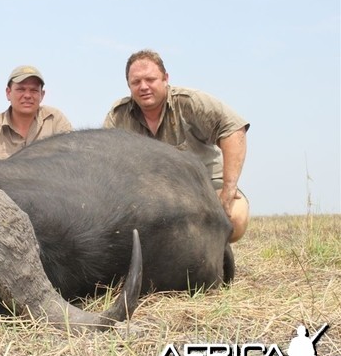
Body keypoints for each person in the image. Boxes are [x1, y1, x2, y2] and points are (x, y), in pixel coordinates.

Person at [103, 49, 249, 242]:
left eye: (150, 79)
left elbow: (233, 129)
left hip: (204, 187)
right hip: (148, 196)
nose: (143, 87)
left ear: (165, 78)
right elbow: (102, 159)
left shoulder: (190, 102)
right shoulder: (118, 115)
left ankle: (215, 247)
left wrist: (229, 188)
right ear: (128, 85)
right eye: (136, 82)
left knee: (235, 219)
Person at [0, 65, 72, 162]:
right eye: (21, 89)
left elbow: (74, 160)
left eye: (34, 90)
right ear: (8, 93)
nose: (27, 95)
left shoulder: (55, 121)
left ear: (42, 95)